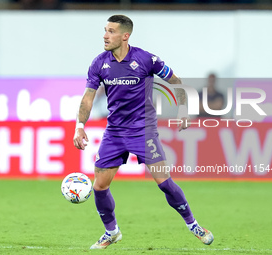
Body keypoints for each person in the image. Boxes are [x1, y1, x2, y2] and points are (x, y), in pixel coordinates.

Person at [73, 14, 214, 250]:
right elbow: (88, 98)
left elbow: (176, 82)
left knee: (164, 183)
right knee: (99, 186)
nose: (105, 36)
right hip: (115, 133)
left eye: (111, 31)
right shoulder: (99, 63)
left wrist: (183, 110)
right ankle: (111, 232)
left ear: (125, 36)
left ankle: (194, 225)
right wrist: (79, 126)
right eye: (105, 30)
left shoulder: (147, 59)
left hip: (143, 131)